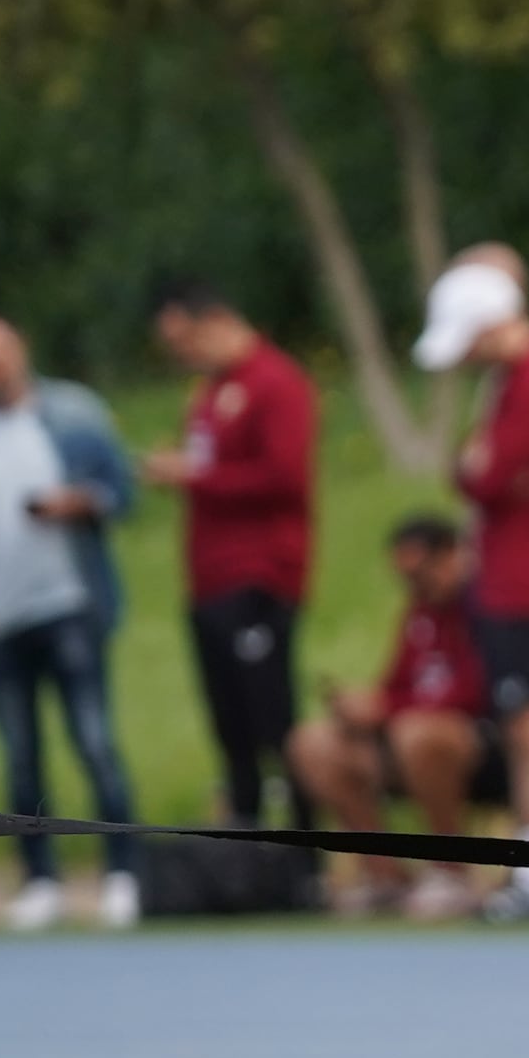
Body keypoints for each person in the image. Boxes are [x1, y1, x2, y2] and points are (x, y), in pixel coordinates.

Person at [412, 247, 529, 925]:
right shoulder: (513, 379)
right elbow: (479, 470)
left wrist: (476, 465)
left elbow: (486, 476)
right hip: (506, 577)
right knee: (522, 724)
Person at [0, 313, 148, 932]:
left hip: (69, 603)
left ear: (21, 349)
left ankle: (123, 872)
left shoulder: (74, 412)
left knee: (94, 740)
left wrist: (79, 503)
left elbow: (123, 491)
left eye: (1, 352)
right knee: (20, 754)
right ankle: (40, 878)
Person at [139, 280, 320, 827]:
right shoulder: (209, 393)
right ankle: (245, 839)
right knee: (230, 721)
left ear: (216, 321)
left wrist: (197, 477)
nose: (182, 355)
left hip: (259, 574)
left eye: (186, 339)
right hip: (210, 577)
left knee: (272, 714)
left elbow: (284, 477)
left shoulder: (275, 382)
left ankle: (304, 850)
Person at [288, 512, 501, 914]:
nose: (413, 585)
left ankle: (452, 870)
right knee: (313, 742)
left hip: (479, 744)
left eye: (421, 573)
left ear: (453, 557)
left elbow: (476, 690)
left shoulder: (484, 604)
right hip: (405, 736)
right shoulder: (419, 612)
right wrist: (363, 704)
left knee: (418, 734)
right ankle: (384, 875)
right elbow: (400, 684)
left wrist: (387, 709)